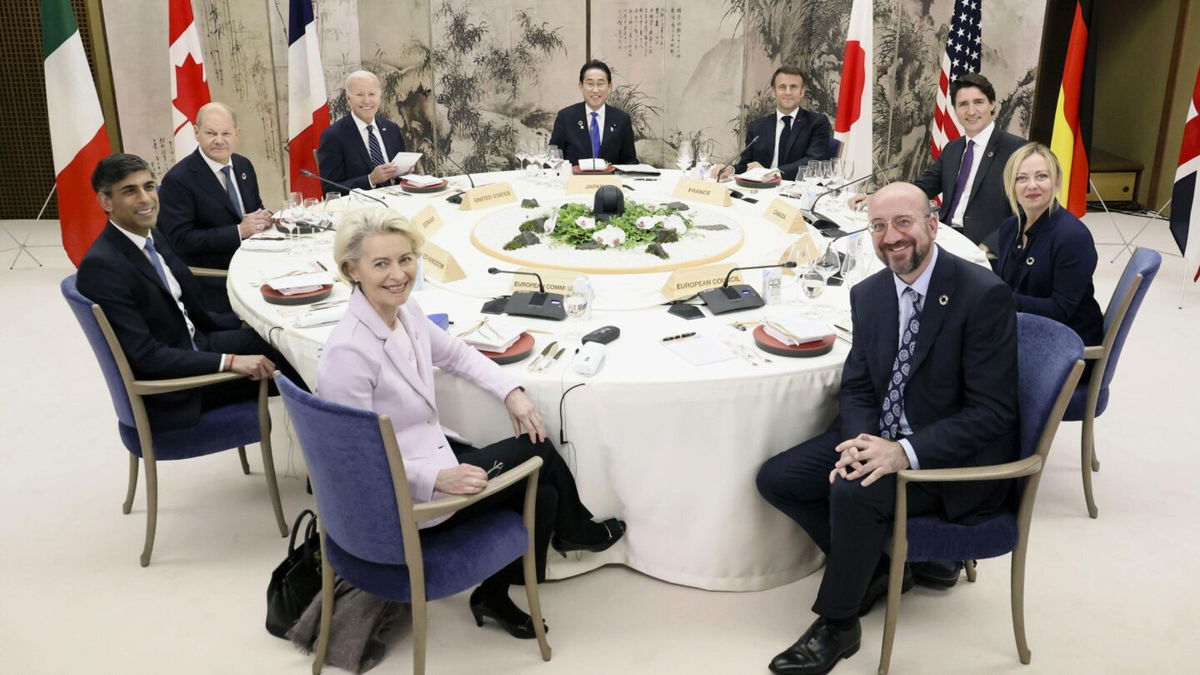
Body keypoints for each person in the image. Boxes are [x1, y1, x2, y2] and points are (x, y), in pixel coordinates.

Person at [317, 208, 625, 640]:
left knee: (546, 491)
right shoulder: (348, 355)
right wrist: (436, 477)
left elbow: (456, 355)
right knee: (536, 449)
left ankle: (498, 591)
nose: (398, 274)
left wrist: (510, 392)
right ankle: (572, 533)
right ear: (352, 270)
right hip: (406, 497)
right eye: (381, 263)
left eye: (405, 259)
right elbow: (356, 463)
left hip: (427, 450)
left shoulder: (405, 312)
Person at [755, 181, 1019, 675]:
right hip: (880, 434)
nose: (891, 237)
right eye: (878, 226)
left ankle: (838, 624)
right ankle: (880, 566)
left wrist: (902, 452)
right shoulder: (869, 293)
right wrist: (860, 442)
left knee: (854, 492)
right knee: (779, 479)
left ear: (932, 225)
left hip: (947, 458)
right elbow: (857, 386)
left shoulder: (983, 295)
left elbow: (992, 413)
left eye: (903, 222)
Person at [76, 153, 304, 432]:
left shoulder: (149, 234)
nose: (146, 198)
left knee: (294, 346)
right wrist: (230, 361)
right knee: (306, 371)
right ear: (106, 201)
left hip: (195, 342)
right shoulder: (102, 266)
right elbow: (146, 356)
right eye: (129, 191)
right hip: (177, 388)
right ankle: (327, 469)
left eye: (149, 186)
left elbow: (189, 309)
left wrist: (267, 320)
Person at [850, 73, 1025, 251]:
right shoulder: (953, 148)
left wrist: (990, 246)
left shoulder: (1017, 150)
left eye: (978, 102)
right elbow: (922, 187)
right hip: (943, 236)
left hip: (981, 248)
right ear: (955, 110)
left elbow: (1028, 210)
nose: (971, 111)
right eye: (963, 104)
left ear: (992, 104)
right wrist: (880, 197)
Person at [157, 102, 272, 314]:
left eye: (226, 133)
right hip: (215, 277)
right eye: (211, 133)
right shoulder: (178, 180)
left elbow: (255, 210)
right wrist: (239, 231)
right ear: (196, 132)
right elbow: (181, 241)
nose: (219, 140)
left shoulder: (243, 165)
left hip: (256, 263)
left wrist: (266, 218)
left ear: (237, 134)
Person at [994, 142, 1103, 346]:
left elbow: (1061, 310)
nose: (1032, 185)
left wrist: (1001, 299)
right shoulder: (1009, 228)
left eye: (1041, 176)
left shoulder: (1073, 237)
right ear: (1011, 185)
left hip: (1065, 343)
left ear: (1056, 181)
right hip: (1022, 328)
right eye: (1021, 178)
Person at [711, 66, 832, 181]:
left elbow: (813, 162)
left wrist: (770, 173)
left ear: (802, 92)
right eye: (782, 87)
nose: (788, 92)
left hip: (797, 192)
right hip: (760, 190)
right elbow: (746, 165)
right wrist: (730, 169)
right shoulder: (757, 127)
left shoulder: (817, 123)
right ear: (774, 92)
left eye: (793, 87)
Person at [317, 70, 410, 193]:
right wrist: (370, 180)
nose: (367, 100)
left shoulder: (392, 129)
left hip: (398, 199)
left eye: (372, 94)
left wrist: (405, 171)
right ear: (348, 98)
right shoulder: (333, 136)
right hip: (360, 207)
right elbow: (330, 189)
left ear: (379, 98)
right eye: (360, 94)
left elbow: (399, 177)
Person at [548, 60, 638, 166]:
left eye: (600, 84)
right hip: (575, 180)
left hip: (609, 181)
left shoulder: (622, 119)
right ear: (580, 86)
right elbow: (553, 157)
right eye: (590, 84)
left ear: (610, 87)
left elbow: (629, 159)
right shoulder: (565, 117)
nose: (595, 90)